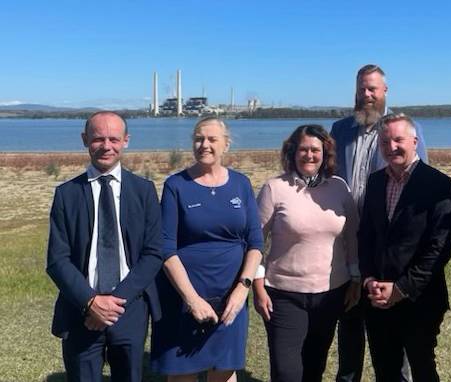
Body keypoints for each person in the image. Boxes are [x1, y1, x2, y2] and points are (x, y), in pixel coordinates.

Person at [46, 111, 163, 382]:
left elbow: (154, 252)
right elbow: (57, 260)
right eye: (98, 138)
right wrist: (91, 301)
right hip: (80, 308)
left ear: (126, 141)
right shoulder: (67, 194)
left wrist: (114, 303)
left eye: (113, 139)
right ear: (85, 139)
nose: (106, 146)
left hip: (129, 307)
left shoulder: (144, 190)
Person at [330, 64, 428, 382]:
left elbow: (418, 187)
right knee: (349, 327)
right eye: (361, 89)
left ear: (385, 91)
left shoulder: (403, 130)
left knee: (391, 335)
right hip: (345, 244)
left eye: (372, 89)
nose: (366, 95)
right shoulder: (340, 130)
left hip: (386, 248)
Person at [151, 116, 263, 382]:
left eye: (212, 139)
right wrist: (191, 299)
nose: (205, 144)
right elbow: (166, 249)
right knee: (182, 372)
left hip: (231, 298)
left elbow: (255, 243)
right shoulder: (176, 186)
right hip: (183, 296)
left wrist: (242, 289)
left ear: (226, 144)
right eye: (199, 139)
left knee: (224, 370)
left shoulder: (241, 184)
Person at [253, 124, 361, 382]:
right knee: (287, 372)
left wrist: (355, 278)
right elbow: (255, 240)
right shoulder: (274, 188)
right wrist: (257, 285)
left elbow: (352, 237)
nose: (309, 155)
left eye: (315, 149)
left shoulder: (339, 187)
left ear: (325, 153)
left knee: (314, 367)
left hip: (331, 294)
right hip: (284, 295)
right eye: (303, 149)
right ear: (292, 152)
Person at [358, 113, 451, 381]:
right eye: (385, 141)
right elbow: (366, 235)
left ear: (414, 141)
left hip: (419, 300)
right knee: (385, 369)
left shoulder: (439, 184)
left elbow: (439, 248)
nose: (392, 147)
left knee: (423, 367)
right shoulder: (376, 181)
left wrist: (402, 289)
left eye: (398, 140)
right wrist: (368, 279)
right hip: (376, 297)